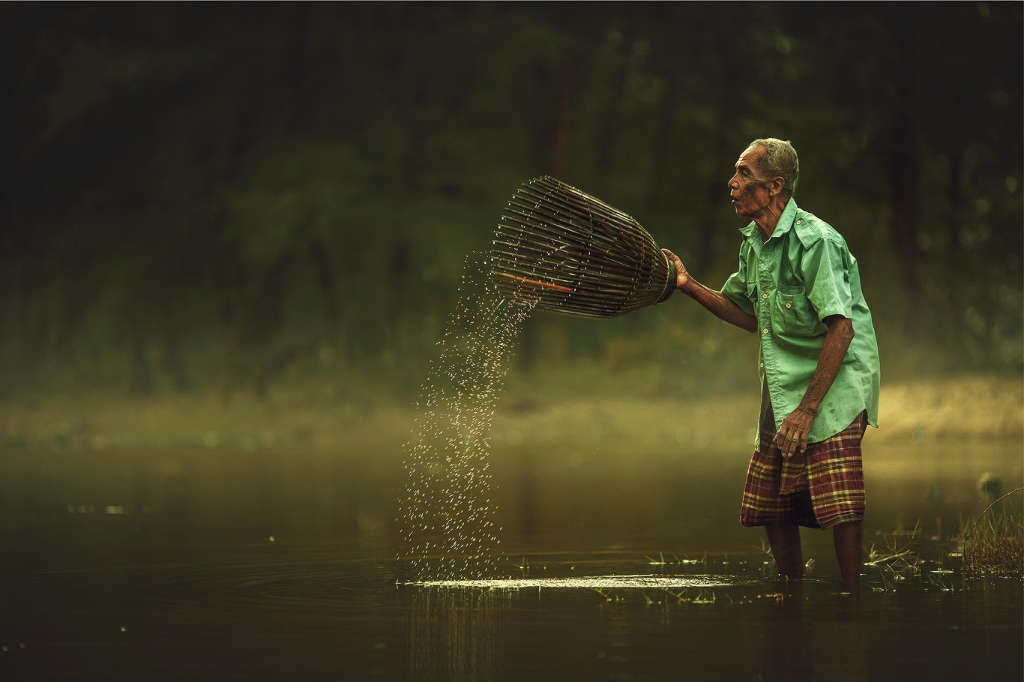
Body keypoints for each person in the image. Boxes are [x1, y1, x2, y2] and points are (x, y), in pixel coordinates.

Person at [662, 138, 880, 594]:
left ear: (775, 186)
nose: (733, 183)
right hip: (781, 381)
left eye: (744, 175)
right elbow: (744, 312)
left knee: (840, 502)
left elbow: (842, 330)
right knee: (773, 498)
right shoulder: (755, 245)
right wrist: (685, 284)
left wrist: (807, 410)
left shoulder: (816, 242)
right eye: (736, 173)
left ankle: (852, 598)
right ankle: (790, 592)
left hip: (835, 379)